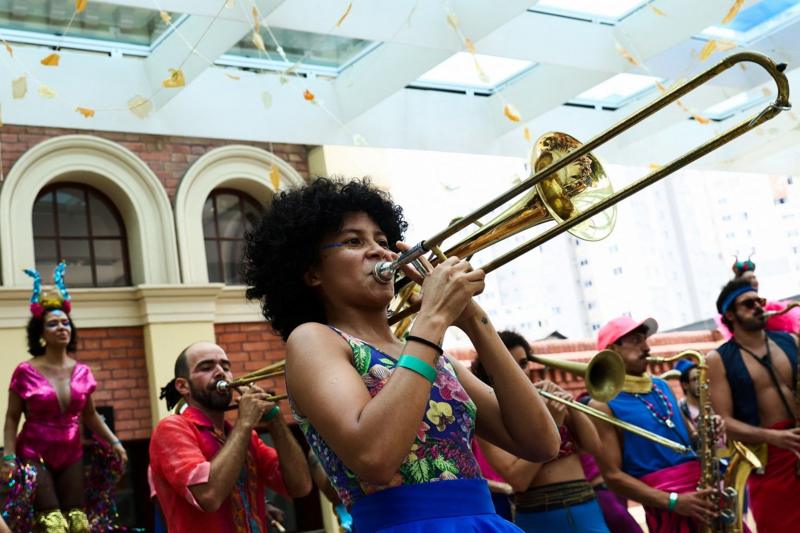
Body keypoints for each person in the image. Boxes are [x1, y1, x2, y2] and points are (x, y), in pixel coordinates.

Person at [243, 178, 561, 532]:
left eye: (382, 241)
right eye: (353, 241)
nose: (380, 252)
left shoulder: (434, 357)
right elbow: (374, 457)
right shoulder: (313, 340)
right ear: (312, 271)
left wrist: (474, 321)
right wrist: (434, 317)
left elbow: (541, 442)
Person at [1, 263, 127, 532]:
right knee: (54, 524)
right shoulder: (25, 371)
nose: (61, 327)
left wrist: (114, 441)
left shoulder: (82, 371)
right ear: (41, 333)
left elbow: (90, 415)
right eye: (53, 323)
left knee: (79, 523)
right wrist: (9, 457)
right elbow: (12, 418)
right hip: (34, 453)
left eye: (65, 322)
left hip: (71, 451)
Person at [149, 341, 312, 532]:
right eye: (207, 367)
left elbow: (300, 486)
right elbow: (208, 495)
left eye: (225, 367)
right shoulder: (172, 428)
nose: (220, 372)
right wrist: (244, 423)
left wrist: (274, 418)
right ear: (183, 386)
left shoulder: (245, 435)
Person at [589, 316, 718, 533]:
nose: (647, 347)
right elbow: (612, 477)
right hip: (669, 508)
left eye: (646, 339)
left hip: (705, 496)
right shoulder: (602, 404)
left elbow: (691, 438)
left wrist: (711, 431)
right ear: (612, 350)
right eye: (637, 340)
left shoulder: (662, 385)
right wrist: (673, 501)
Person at [476, 330, 611, 532]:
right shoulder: (489, 414)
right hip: (541, 517)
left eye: (523, 363)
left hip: (586, 507)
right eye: (510, 364)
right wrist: (553, 425)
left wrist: (571, 406)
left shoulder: (546, 399)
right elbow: (518, 480)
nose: (520, 372)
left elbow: (594, 448)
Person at [706, 279, 800, 533]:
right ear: (729, 314)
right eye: (748, 304)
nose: (758, 307)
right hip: (767, 463)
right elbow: (725, 421)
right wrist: (774, 437)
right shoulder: (717, 359)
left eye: (760, 302)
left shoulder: (791, 341)